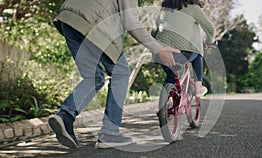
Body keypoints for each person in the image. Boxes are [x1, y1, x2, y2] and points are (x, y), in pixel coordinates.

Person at [48, 0, 180, 149]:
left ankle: (65, 115)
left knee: (93, 77)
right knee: (121, 73)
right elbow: (131, 23)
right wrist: (158, 49)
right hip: (94, 25)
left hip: (69, 21)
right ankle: (110, 132)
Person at [153, 0, 215, 97]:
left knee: (171, 77)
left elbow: (156, 28)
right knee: (198, 53)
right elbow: (210, 29)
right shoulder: (193, 7)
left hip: (161, 53)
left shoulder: (165, 9)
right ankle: (198, 86)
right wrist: (209, 41)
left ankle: (163, 106)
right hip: (183, 53)